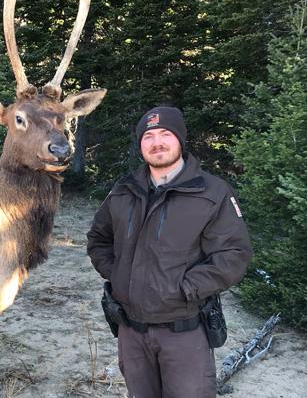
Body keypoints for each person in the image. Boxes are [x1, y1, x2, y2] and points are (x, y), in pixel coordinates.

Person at [87, 106, 253, 398]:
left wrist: (186, 289)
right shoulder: (124, 191)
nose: (157, 142)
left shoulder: (211, 192)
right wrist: (118, 275)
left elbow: (234, 253)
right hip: (131, 331)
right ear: (140, 145)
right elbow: (98, 239)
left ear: (180, 139)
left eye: (166, 134)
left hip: (184, 333)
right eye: (148, 136)